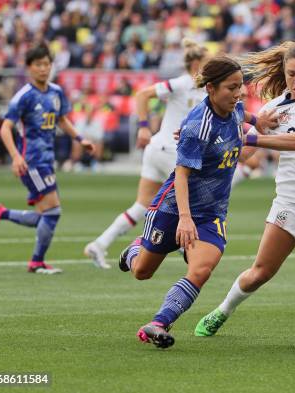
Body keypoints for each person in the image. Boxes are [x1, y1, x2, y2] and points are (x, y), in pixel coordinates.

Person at [194, 40, 295, 337]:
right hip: (290, 201)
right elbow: (243, 156)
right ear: (284, 71)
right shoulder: (272, 110)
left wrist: (248, 137)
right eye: (292, 73)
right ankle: (222, 310)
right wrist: (218, 134)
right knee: (260, 273)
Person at [117, 55, 267, 349]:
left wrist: (261, 122)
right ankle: (133, 250)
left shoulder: (234, 109)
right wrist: (184, 219)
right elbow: (181, 177)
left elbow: (243, 118)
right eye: (231, 88)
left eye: (240, 87)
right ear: (210, 88)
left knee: (201, 269)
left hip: (210, 214)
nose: (238, 94)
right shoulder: (196, 126)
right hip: (173, 208)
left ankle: (159, 323)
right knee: (142, 272)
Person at [83, 39, 210, 268]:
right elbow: (142, 95)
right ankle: (187, 249)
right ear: (196, 64)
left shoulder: (203, 88)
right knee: (191, 199)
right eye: (207, 63)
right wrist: (143, 126)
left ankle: (100, 244)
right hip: (170, 151)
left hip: (157, 150)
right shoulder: (181, 83)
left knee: (141, 206)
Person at [0, 43, 94, 274]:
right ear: (29, 68)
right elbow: (5, 128)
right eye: (39, 65)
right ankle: (36, 262)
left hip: (46, 160)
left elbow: (62, 120)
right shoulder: (23, 96)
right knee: (53, 212)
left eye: (47, 64)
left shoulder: (56, 92)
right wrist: (15, 157)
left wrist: (80, 139)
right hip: (30, 160)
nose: (44, 69)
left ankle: (1, 213)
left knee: (46, 215)